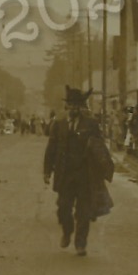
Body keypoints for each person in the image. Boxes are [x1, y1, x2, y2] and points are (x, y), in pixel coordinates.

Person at [44, 86, 110, 256]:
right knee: (63, 208)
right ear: (67, 107)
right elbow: (51, 148)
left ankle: (81, 243)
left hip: (84, 174)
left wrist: (103, 167)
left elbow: (99, 147)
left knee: (84, 211)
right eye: (71, 105)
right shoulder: (58, 123)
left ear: (81, 107)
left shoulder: (91, 124)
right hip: (65, 174)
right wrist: (47, 171)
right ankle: (67, 231)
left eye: (76, 105)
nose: (73, 108)